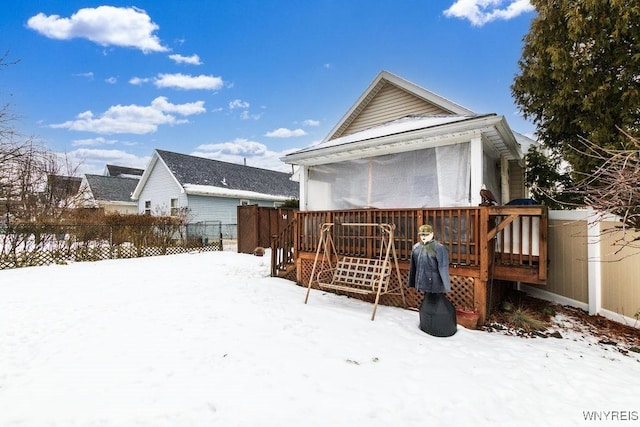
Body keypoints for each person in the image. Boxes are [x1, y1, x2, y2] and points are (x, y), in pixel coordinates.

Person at [408, 224, 456, 336]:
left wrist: (445, 284)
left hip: (435, 281)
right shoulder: (416, 248)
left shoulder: (438, 248)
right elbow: (413, 266)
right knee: (427, 300)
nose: (423, 237)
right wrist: (413, 281)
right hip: (422, 279)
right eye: (421, 235)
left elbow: (443, 266)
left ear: (432, 234)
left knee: (436, 300)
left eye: (426, 234)